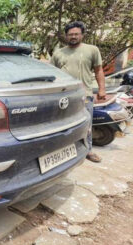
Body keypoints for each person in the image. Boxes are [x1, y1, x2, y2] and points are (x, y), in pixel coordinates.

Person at [51, 21, 106, 163]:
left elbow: (99, 70)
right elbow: (52, 73)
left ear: (82, 35)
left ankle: (88, 151)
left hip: (84, 94)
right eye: (70, 34)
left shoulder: (92, 50)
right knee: (62, 124)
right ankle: (61, 150)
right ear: (66, 36)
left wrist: (102, 89)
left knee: (86, 123)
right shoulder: (58, 53)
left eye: (76, 34)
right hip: (63, 96)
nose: (73, 36)